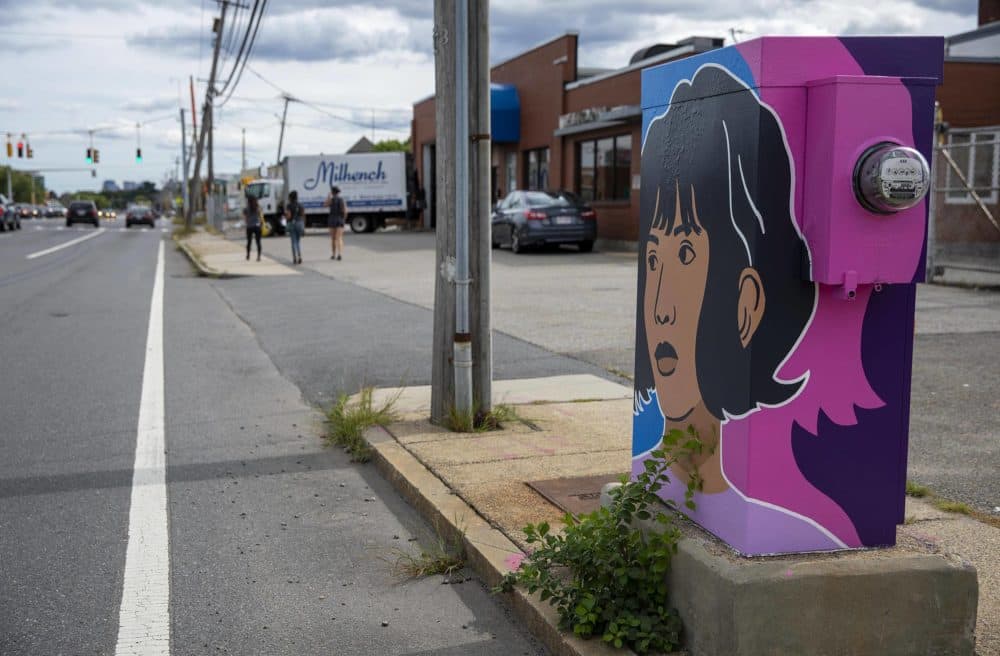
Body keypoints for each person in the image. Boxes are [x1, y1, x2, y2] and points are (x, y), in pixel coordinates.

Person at [632, 65, 844, 554]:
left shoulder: (791, 528)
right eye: (652, 258)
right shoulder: (776, 523)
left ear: (746, 302)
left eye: (686, 255)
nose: (660, 307)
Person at [324, 185, 347, 260]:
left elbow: (325, 205)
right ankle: (339, 254)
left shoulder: (331, 200)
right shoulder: (341, 199)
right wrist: (343, 219)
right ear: (338, 192)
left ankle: (333, 254)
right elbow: (345, 211)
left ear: (332, 192)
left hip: (332, 219)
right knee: (339, 238)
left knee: (333, 238)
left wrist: (328, 196)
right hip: (340, 219)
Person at [285, 190, 305, 264]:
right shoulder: (300, 205)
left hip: (292, 224)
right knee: (298, 241)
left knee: (293, 242)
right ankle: (300, 256)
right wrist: (303, 227)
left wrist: (286, 217)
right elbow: (303, 215)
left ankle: (295, 258)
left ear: (290, 197)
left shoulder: (289, 205)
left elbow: (289, 216)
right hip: (300, 223)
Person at [243, 193, 262, 261]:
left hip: (249, 226)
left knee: (249, 242)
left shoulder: (246, 208)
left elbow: (245, 218)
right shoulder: (257, 207)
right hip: (257, 226)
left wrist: (247, 222)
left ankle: (248, 255)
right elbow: (260, 216)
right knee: (258, 242)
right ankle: (258, 256)